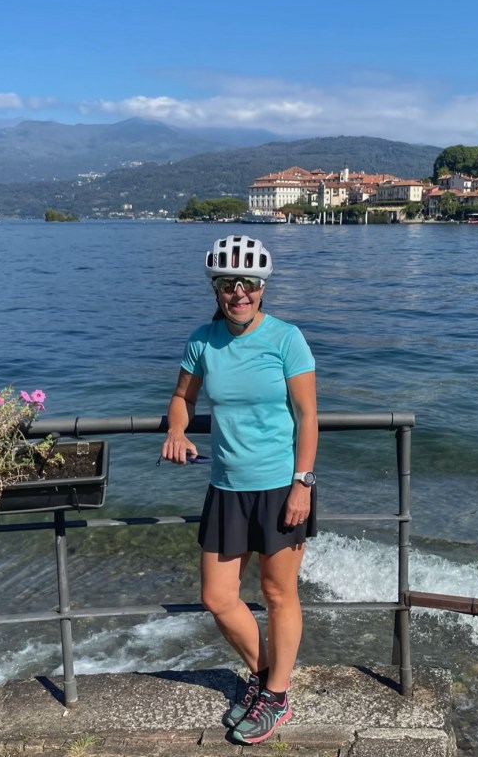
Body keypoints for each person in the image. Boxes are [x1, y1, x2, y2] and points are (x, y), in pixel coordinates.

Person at [161, 234, 318, 745]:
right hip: (226, 486)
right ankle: (267, 677)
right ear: (216, 289)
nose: (239, 293)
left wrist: (303, 483)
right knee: (217, 596)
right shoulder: (202, 341)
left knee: (278, 593)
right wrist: (177, 430)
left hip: (281, 486)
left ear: (262, 288)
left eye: (248, 283)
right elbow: (182, 396)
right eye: (229, 284)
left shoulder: (286, 339)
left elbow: (308, 416)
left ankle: (276, 695)